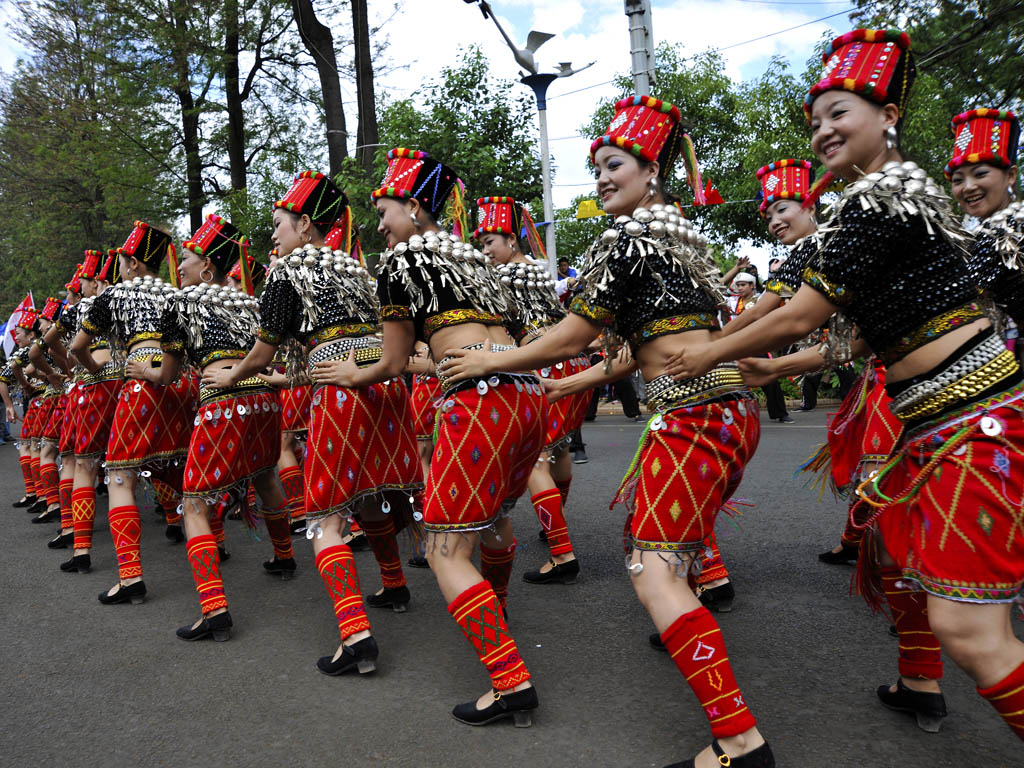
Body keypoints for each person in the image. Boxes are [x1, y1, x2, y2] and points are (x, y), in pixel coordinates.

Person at [667, 29, 1024, 741]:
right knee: (894, 554)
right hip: (934, 422)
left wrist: (713, 352)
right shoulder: (885, 202)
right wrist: (771, 367)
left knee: (971, 628)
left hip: (973, 419)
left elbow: (801, 311)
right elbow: (859, 339)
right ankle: (920, 681)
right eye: (817, 118)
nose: (824, 129)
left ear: (888, 115)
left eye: (841, 112)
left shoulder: (876, 201)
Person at [440, 98, 773, 765]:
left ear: (651, 170)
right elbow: (639, 347)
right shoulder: (673, 237)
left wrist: (491, 359)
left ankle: (738, 740)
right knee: (661, 555)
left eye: (613, 165)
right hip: (724, 412)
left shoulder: (626, 241)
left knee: (654, 572)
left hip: (693, 418)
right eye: (595, 168)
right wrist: (574, 383)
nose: (599, 179)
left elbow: (577, 332)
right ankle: (707, 643)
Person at [310, 149, 543, 727]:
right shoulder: (476, 262)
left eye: (386, 212)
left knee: (444, 547)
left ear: (415, 208)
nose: (380, 227)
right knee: (493, 518)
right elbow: (515, 334)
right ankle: (498, 608)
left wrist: (349, 373)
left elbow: (391, 360)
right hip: (527, 395)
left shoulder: (401, 264)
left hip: (480, 401)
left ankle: (510, 680)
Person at [202, 171, 422, 673]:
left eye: (278, 225)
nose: (272, 237)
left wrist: (228, 378)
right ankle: (394, 584)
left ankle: (356, 634)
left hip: (342, 387)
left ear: (304, 225)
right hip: (386, 385)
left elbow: (262, 353)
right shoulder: (354, 269)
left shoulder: (287, 272)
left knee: (327, 515)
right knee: (371, 493)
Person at [125, 214, 292, 641]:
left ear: (207, 268)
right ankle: (284, 555)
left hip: (223, 401)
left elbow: (165, 375)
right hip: (265, 400)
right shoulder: (248, 303)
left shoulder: (181, 304)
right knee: (266, 475)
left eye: (185, 258)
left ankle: (214, 609)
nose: (177, 267)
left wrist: (141, 368)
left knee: (194, 502)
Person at [71, 221, 198, 606]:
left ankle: (130, 578)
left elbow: (78, 347)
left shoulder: (112, 297)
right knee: (183, 471)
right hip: (182, 382)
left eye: (124, 262)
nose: (121, 269)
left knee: (120, 476)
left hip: (142, 381)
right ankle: (216, 549)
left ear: (132, 264)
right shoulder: (177, 293)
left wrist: (95, 372)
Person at [475, 195, 588, 585]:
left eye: (490, 241)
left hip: (542, 363)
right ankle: (554, 527)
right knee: (558, 448)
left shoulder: (503, 278)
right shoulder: (538, 272)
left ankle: (562, 551)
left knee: (537, 458)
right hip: (571, 364)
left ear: (511, 239)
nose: (485, 250)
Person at [948, 108, 1022, 342]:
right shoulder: (975, 239)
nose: (968, 187)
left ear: (1010, 176)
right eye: (958, 180)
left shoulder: (1014, 231)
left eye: (980, 174)